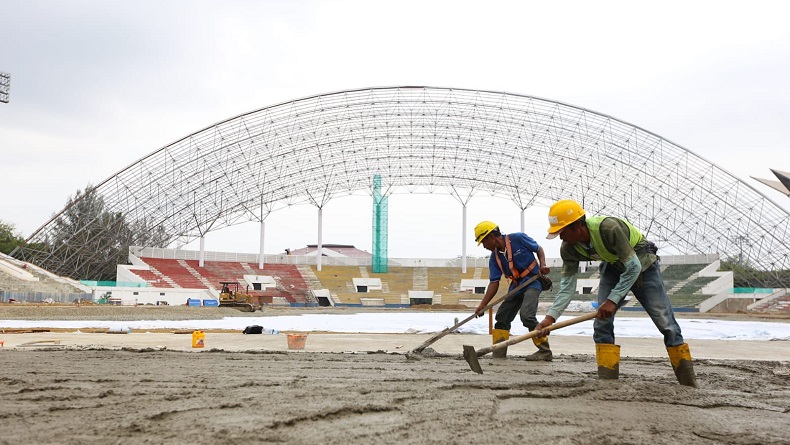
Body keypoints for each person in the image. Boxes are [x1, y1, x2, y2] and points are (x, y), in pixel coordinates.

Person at [535, 199, 697, 387]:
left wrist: (612, 300)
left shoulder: (609, 229)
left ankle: (688, 383)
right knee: (602, 323)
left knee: (665, 322)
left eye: (562, 233)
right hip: (613, 266)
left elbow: (633, 266)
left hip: (643, 263)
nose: (561, 238)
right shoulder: (569, 249)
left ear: (577, 225)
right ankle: (608, 383)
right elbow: (567, 286)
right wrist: (550, 318)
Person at [473, 221, 552, 361]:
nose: (484, 247)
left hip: (532, 282)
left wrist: (543, 264)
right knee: (502, 317)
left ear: (491, 236)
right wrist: (483, 304)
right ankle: (498, 353)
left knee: (527, 316)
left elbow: (538, 249)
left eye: (483, 242)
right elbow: (494, 282)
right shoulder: (495, 257)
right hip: (516, 286)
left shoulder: (518, 238)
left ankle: (545, 351)